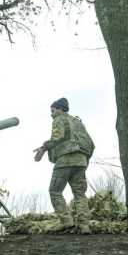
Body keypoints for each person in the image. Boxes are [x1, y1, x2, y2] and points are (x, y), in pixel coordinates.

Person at [34, 97, 94, 234]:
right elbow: (91, 144)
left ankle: (66, 222)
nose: (51, 114)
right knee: (80, 194)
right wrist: (84, 160)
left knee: (55, 191)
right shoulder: (78, 122)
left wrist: (44, 148)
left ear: (60, 109)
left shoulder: (59, 120)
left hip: (65, 161)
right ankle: (84, 226)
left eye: (53, 110)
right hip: (81, 161)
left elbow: (58, 138)